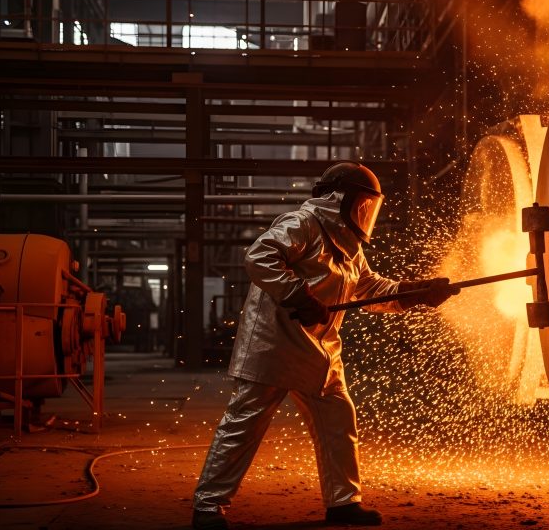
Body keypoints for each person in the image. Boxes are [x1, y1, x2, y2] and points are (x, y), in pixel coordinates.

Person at [191, 162, 458, 529]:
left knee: (337, 418)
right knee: (244, 424)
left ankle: (344, 503)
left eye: (370, 207)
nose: (364, 214)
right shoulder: (304, 223)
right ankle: (208, 506)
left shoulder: (349, 246)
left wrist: (413, 292)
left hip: (321, 351)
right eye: (361, 204)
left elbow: (368, 290)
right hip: (274, 345)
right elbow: (258, 256)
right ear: (338, 199)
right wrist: (297, 294)